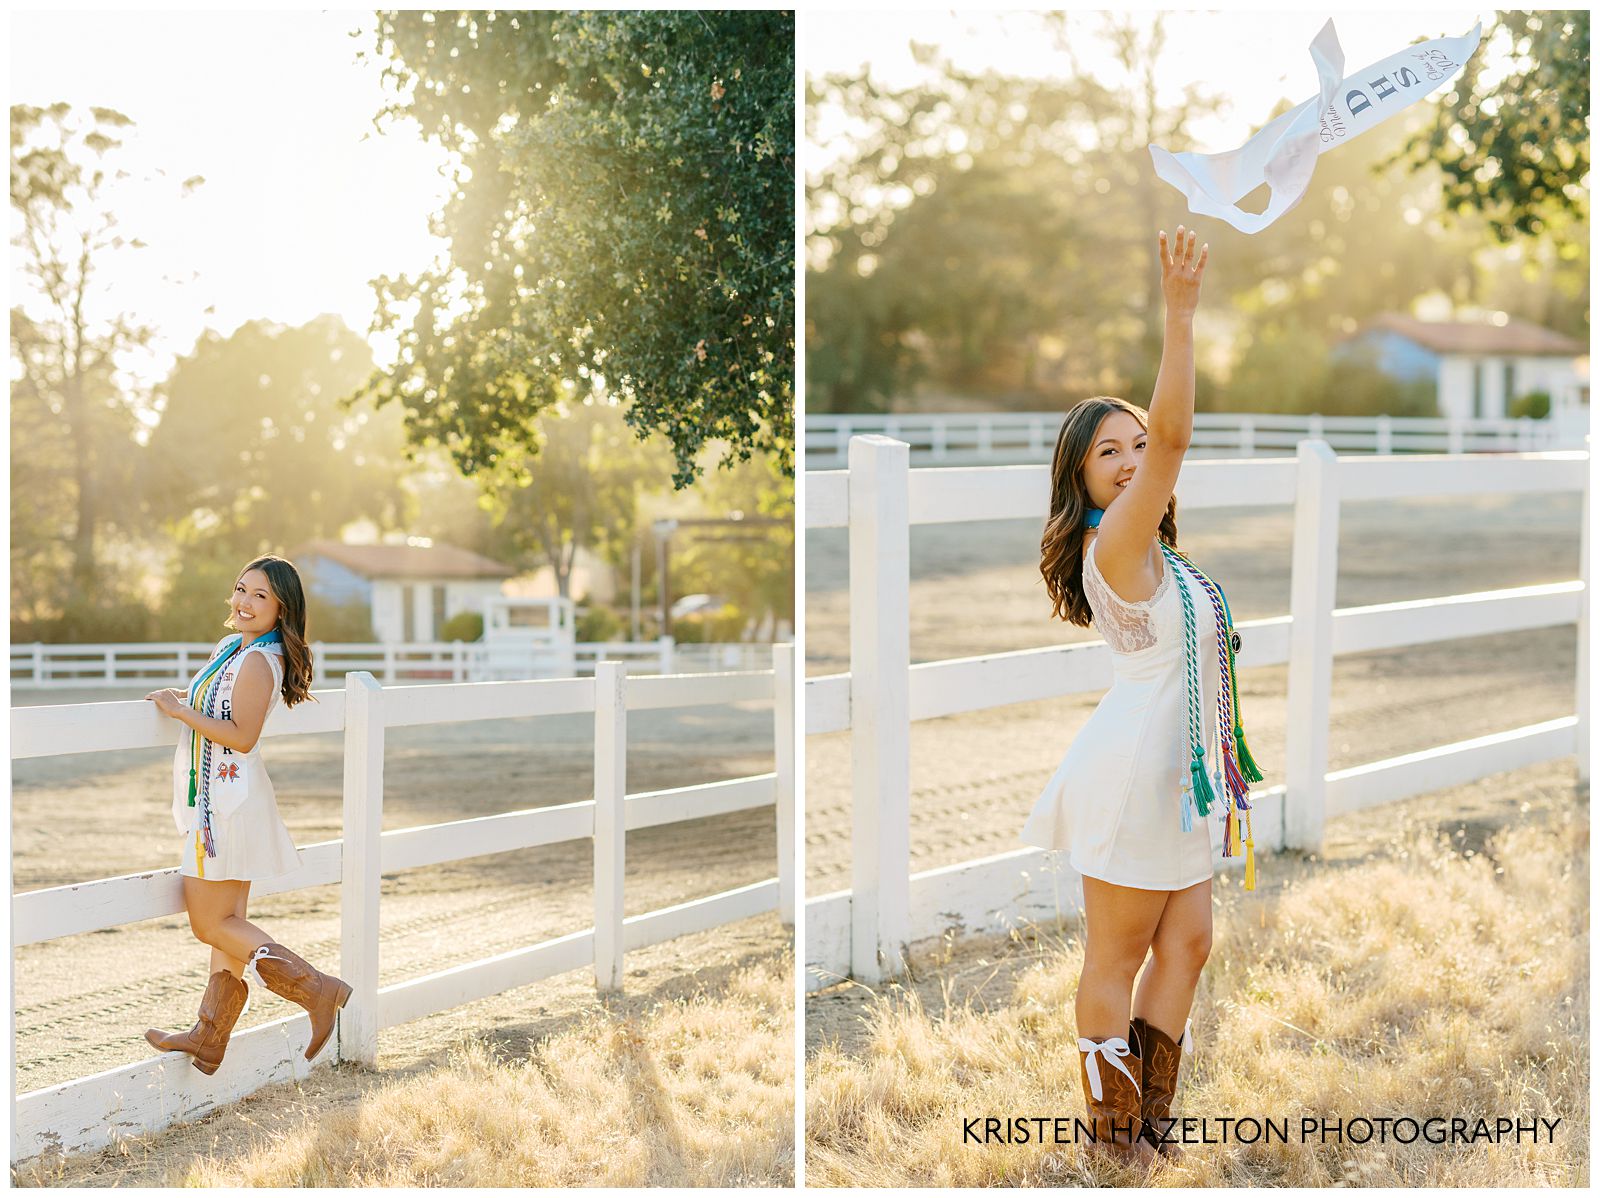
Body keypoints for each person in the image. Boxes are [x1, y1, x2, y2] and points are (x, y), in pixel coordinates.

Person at [1021, 227, 1262, 1165]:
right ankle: (1114, 1136)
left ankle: (1152, 1121)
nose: (1131, 460)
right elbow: (1175, 436)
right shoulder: (1113, 547)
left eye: (1134, 445)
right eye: (1108, 453)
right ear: (1084, 482)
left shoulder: (1167, 555)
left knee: (1190, 944)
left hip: (1183, 781)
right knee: (1115, 959)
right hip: (1129, 778)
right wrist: (1182, 314)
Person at [143, 555, 351, 1075]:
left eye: (260, 596)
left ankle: (316, 989)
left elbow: (241, 735)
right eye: (241, 589)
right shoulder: (234, 647)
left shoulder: (260, 659)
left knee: (209, 923)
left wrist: (180, 710)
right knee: (227, 922)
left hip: (226, 809)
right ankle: (210, 1036)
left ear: (282, 609)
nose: (244, 602)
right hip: (223, 801)